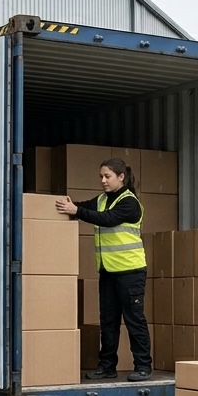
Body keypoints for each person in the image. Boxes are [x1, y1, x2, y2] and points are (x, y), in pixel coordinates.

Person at [56, 157, 153, 382]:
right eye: (101, 176)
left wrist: (76, 211)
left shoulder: (130, 203)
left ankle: (143, 366)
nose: (103, 180)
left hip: (131, 271)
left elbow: (107, 219)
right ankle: (107, 366)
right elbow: (84, 208)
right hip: (108, 271)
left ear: (122, 177)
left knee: (134, 320)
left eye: (107, 176)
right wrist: (68, 206)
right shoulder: (101, 200)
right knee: (108, 320)